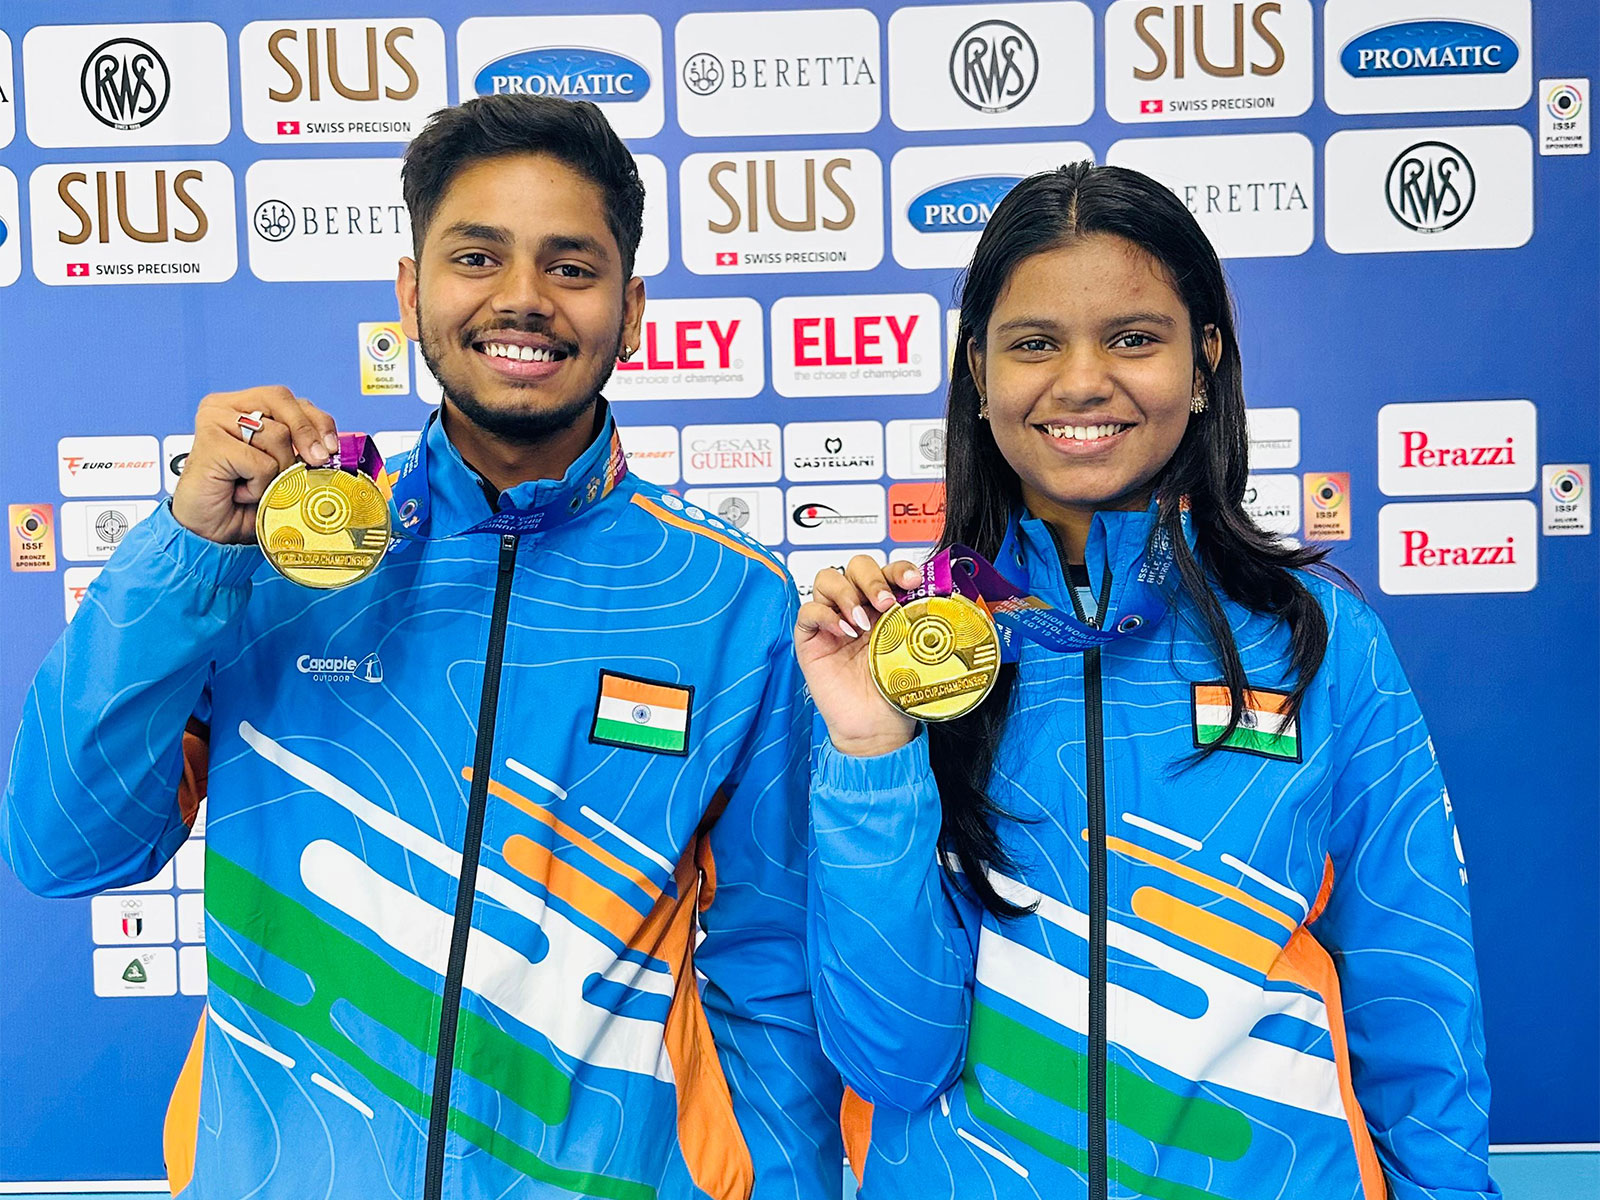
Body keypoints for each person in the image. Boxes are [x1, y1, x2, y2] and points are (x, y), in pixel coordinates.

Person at [2, 95, 842, 1200]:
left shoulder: (732, 600)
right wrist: (188, 551)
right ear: (411, 292)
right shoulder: (273, 559)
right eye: (477, 257)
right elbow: (66, 848)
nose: (523, 301)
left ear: (631, 310)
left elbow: (769, 984)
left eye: (571, 267)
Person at [796, 163, 1499, 1200]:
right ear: (976, 375)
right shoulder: (909, 650)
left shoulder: (1318, 641)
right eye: (1034, 342)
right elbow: (888, 1054)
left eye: (1133, 337)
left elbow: (1415, 997)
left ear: (1204, 362)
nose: (1082, 380)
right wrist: (868, 750)